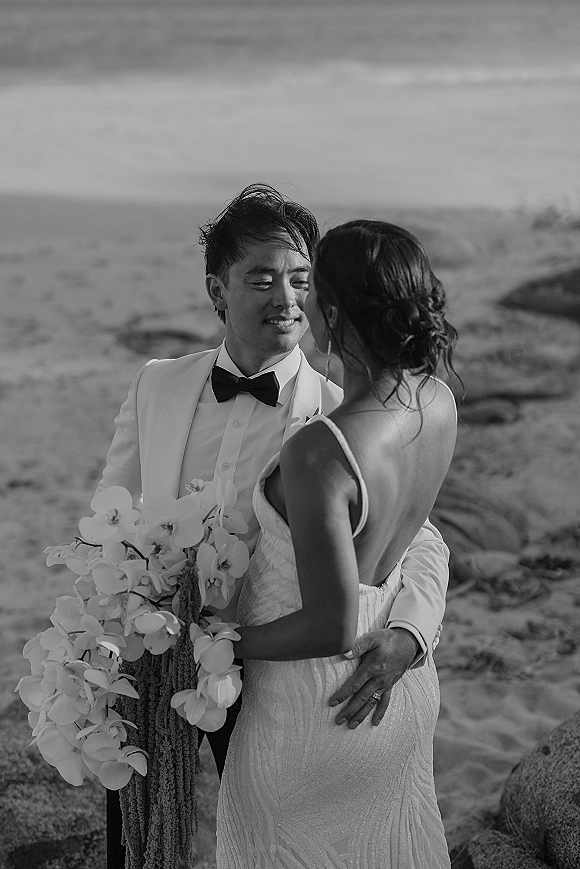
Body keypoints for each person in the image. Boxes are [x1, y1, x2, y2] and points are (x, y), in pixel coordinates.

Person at [97, 186, 450, 867]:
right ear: (217, 288)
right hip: (153, 655)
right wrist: (107, 631)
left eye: (300, 280)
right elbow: (112, 510)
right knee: (136, 840)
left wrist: (410, 634)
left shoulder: (341, 412)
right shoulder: (157, 384)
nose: (285, 299)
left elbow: (424, 540)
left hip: (267, 678)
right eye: (261, 278)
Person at [216, 218, 458, 868]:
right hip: (397, 696)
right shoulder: (437, 402)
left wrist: (219, 642)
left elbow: (331, 622)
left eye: (311, 287)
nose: (297, 303)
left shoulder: (321, 450)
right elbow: (409, 541)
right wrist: (408, 636)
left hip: (313, 711)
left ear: (334, 311)